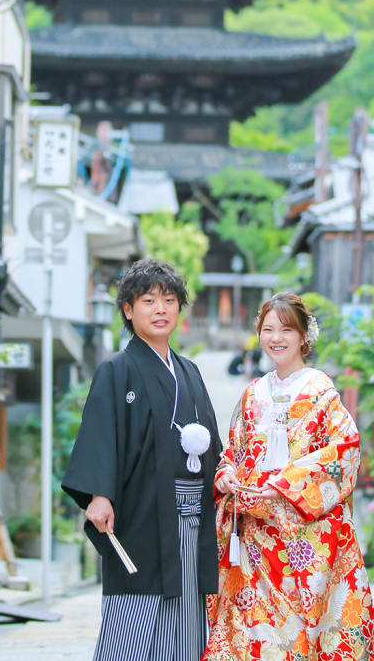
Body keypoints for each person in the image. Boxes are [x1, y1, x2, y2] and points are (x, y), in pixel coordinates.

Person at [203, 292, 374, 661]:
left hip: (308, 536)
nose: (276, 338)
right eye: (268, 329)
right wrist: (225, 475)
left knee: (306, 633)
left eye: (286, 329)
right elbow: (233, 450)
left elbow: (344, 449)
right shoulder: (253, 393)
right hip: (256, 536)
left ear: (304, 336)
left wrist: (286, 485)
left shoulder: (321, 392)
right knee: (252, 633)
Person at [62, 259, 222, 661]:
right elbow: (100, 435)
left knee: (185, 621)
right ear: (128, 310)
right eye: (148, 300)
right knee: (132, 619)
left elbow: (213, 449)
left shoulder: (190, 373)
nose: (160, 309)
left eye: (169, 300)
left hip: (189, 521)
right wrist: (99, 495)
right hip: (140, 516)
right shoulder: (116, 370)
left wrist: (225, 479)